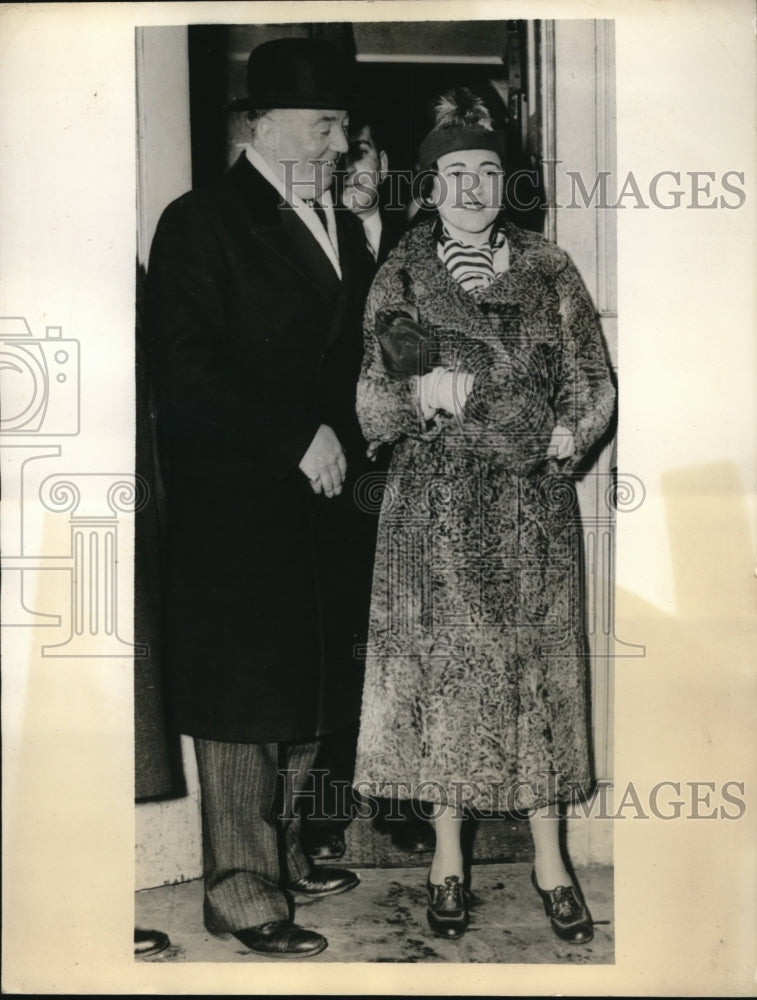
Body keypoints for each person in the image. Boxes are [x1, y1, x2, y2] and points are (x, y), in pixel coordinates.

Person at [352, 88, 616, 943]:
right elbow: (387, 382)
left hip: (529, 505)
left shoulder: (550, 267)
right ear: (427, 189)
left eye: (487, 172)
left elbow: (590, 378)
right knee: (443, 679)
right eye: (455, 174)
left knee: (536, 675)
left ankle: (551, 861)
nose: (472, 187)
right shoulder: (403, 273)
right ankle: (447, 858)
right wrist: (422, 395)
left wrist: (565, 434)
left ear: (507, 185)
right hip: (434, 507)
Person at [145, 38, 377, 959]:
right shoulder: (199, 219)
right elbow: (185, 367)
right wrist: (293, 438)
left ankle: (283, 856)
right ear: (260, 125)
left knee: (312, 682)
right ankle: (239, 892)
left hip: (329, 501)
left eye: (342, 123)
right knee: (246, 695)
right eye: (323, 124)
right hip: (243, 505)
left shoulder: (337, 221)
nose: (340, 141)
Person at [301, 111, 435, 861]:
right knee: (347, 640)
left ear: (381, 161)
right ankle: (325, 803)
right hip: (342, 474)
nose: (349, 166)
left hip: (412, 474)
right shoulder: (313, 238)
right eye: (338, 154)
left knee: (410, 640)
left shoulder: (422, 242)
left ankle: (401, 800)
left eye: (361, 152)